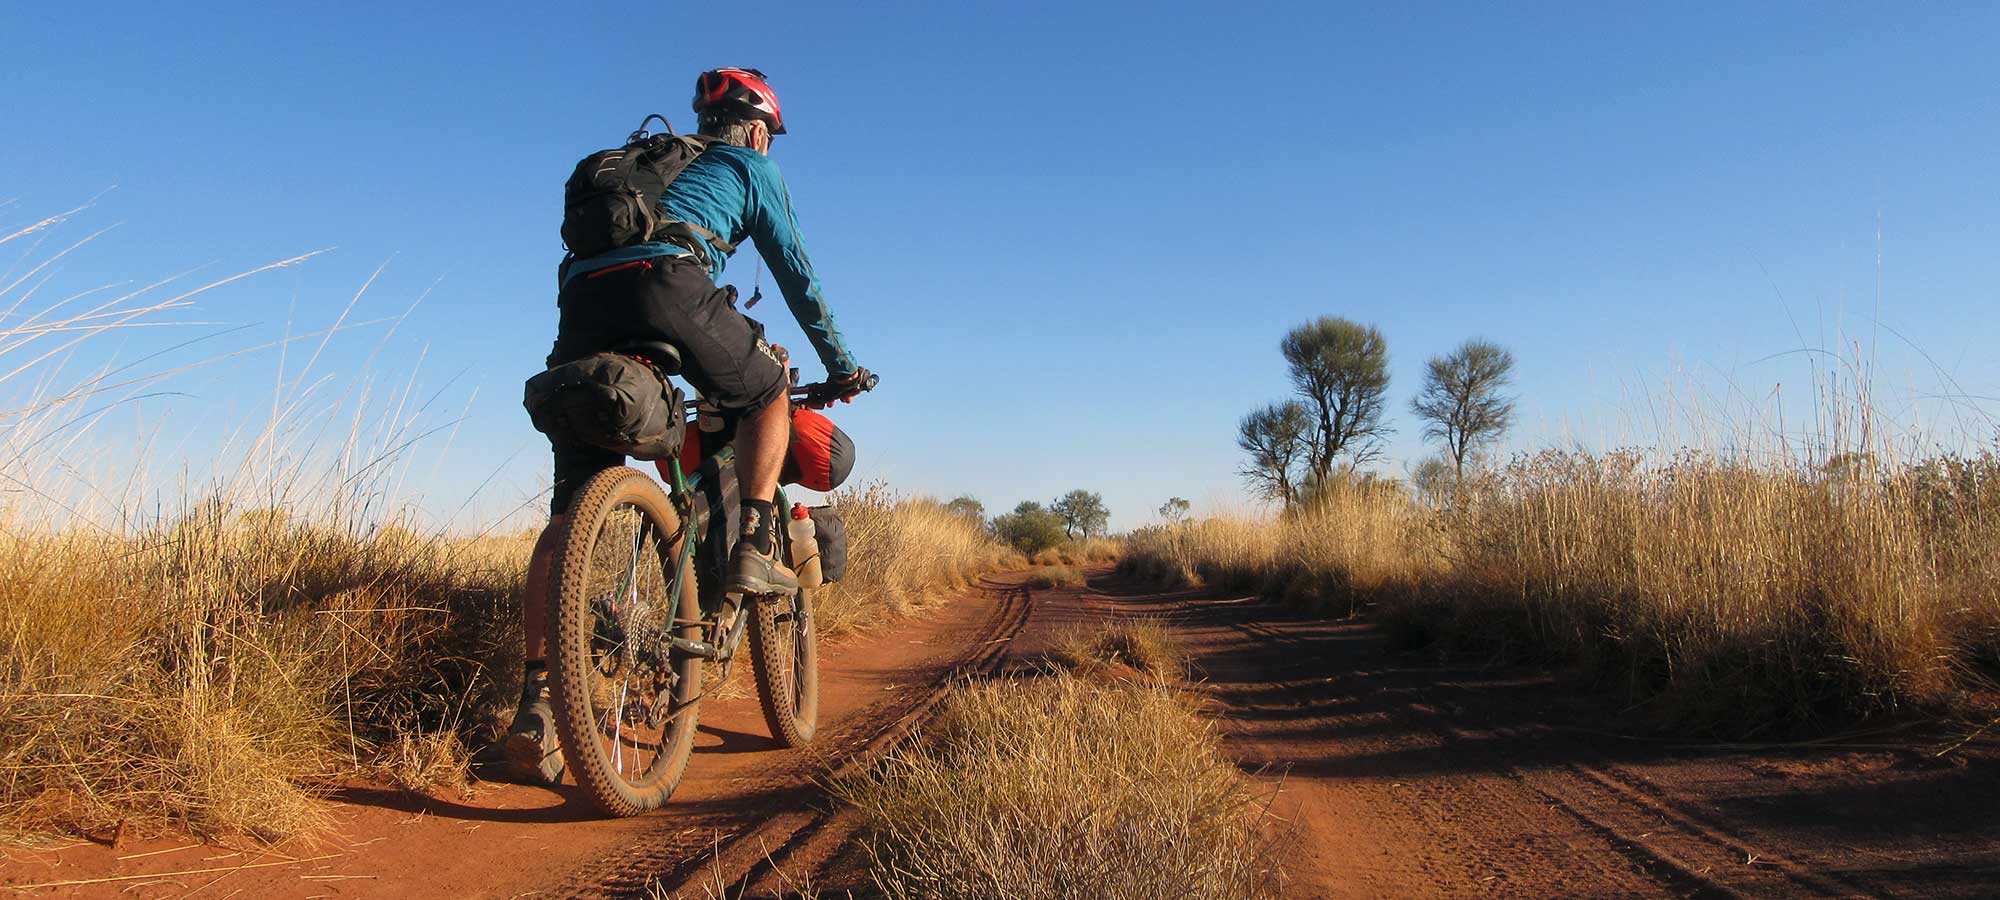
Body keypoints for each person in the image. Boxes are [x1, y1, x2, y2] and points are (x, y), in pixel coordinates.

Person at [502, 67, 869, 784]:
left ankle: (538, 706)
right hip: (669, 281)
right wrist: (844, 365)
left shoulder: (641, 169)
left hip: (582, 300)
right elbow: (796, 271)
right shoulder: (748, 165)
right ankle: (757, 536)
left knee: (569, 510)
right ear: (759, 130)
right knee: (765, 389)